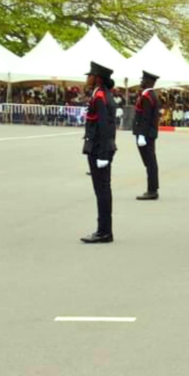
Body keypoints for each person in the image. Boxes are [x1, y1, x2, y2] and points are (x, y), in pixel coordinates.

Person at [81, 62, 118, 244]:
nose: (87, 78)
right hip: (98, 147)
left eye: (90, 75)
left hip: (99, 149)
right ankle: (104, 229)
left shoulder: (101, 97)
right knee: (102, 190)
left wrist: (103, 154)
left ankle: (104, 231)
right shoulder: (100, 95)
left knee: (102, 190)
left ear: (97, 78)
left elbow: (105, 126)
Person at [133, 70, 162, 201]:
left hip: (146, 134)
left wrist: (142, 135)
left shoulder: (147, 96)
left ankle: (152, 190)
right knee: (150, 162)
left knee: (150, 162)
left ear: (149, 82)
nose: (141, 82)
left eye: (143, 80)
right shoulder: (148, 95)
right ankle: (153, 188)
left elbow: (145, 117)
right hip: (148, 133)